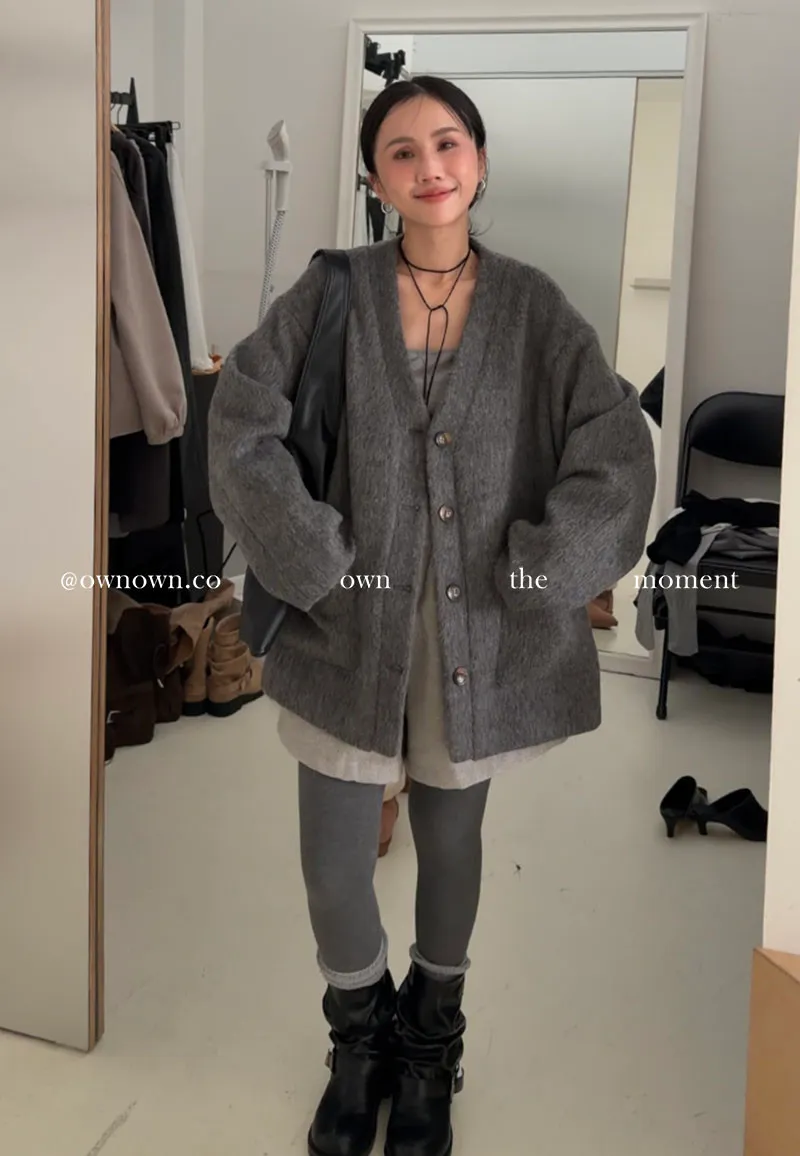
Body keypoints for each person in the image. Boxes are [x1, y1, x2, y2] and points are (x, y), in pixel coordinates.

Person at [208, 75, 656, 1156]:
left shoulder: (535, 308)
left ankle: (429, 1047)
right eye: (401, 151)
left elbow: (616, 449)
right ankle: (357, 1042)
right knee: (334, 866)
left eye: (447, 143)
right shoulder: (331, 292)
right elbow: (240, 424)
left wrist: (547, 569)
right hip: (346, 627)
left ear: (479, 161)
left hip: (476, 639)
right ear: (375, 179)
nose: (429, 166)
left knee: (451, 847)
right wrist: (309, 554)